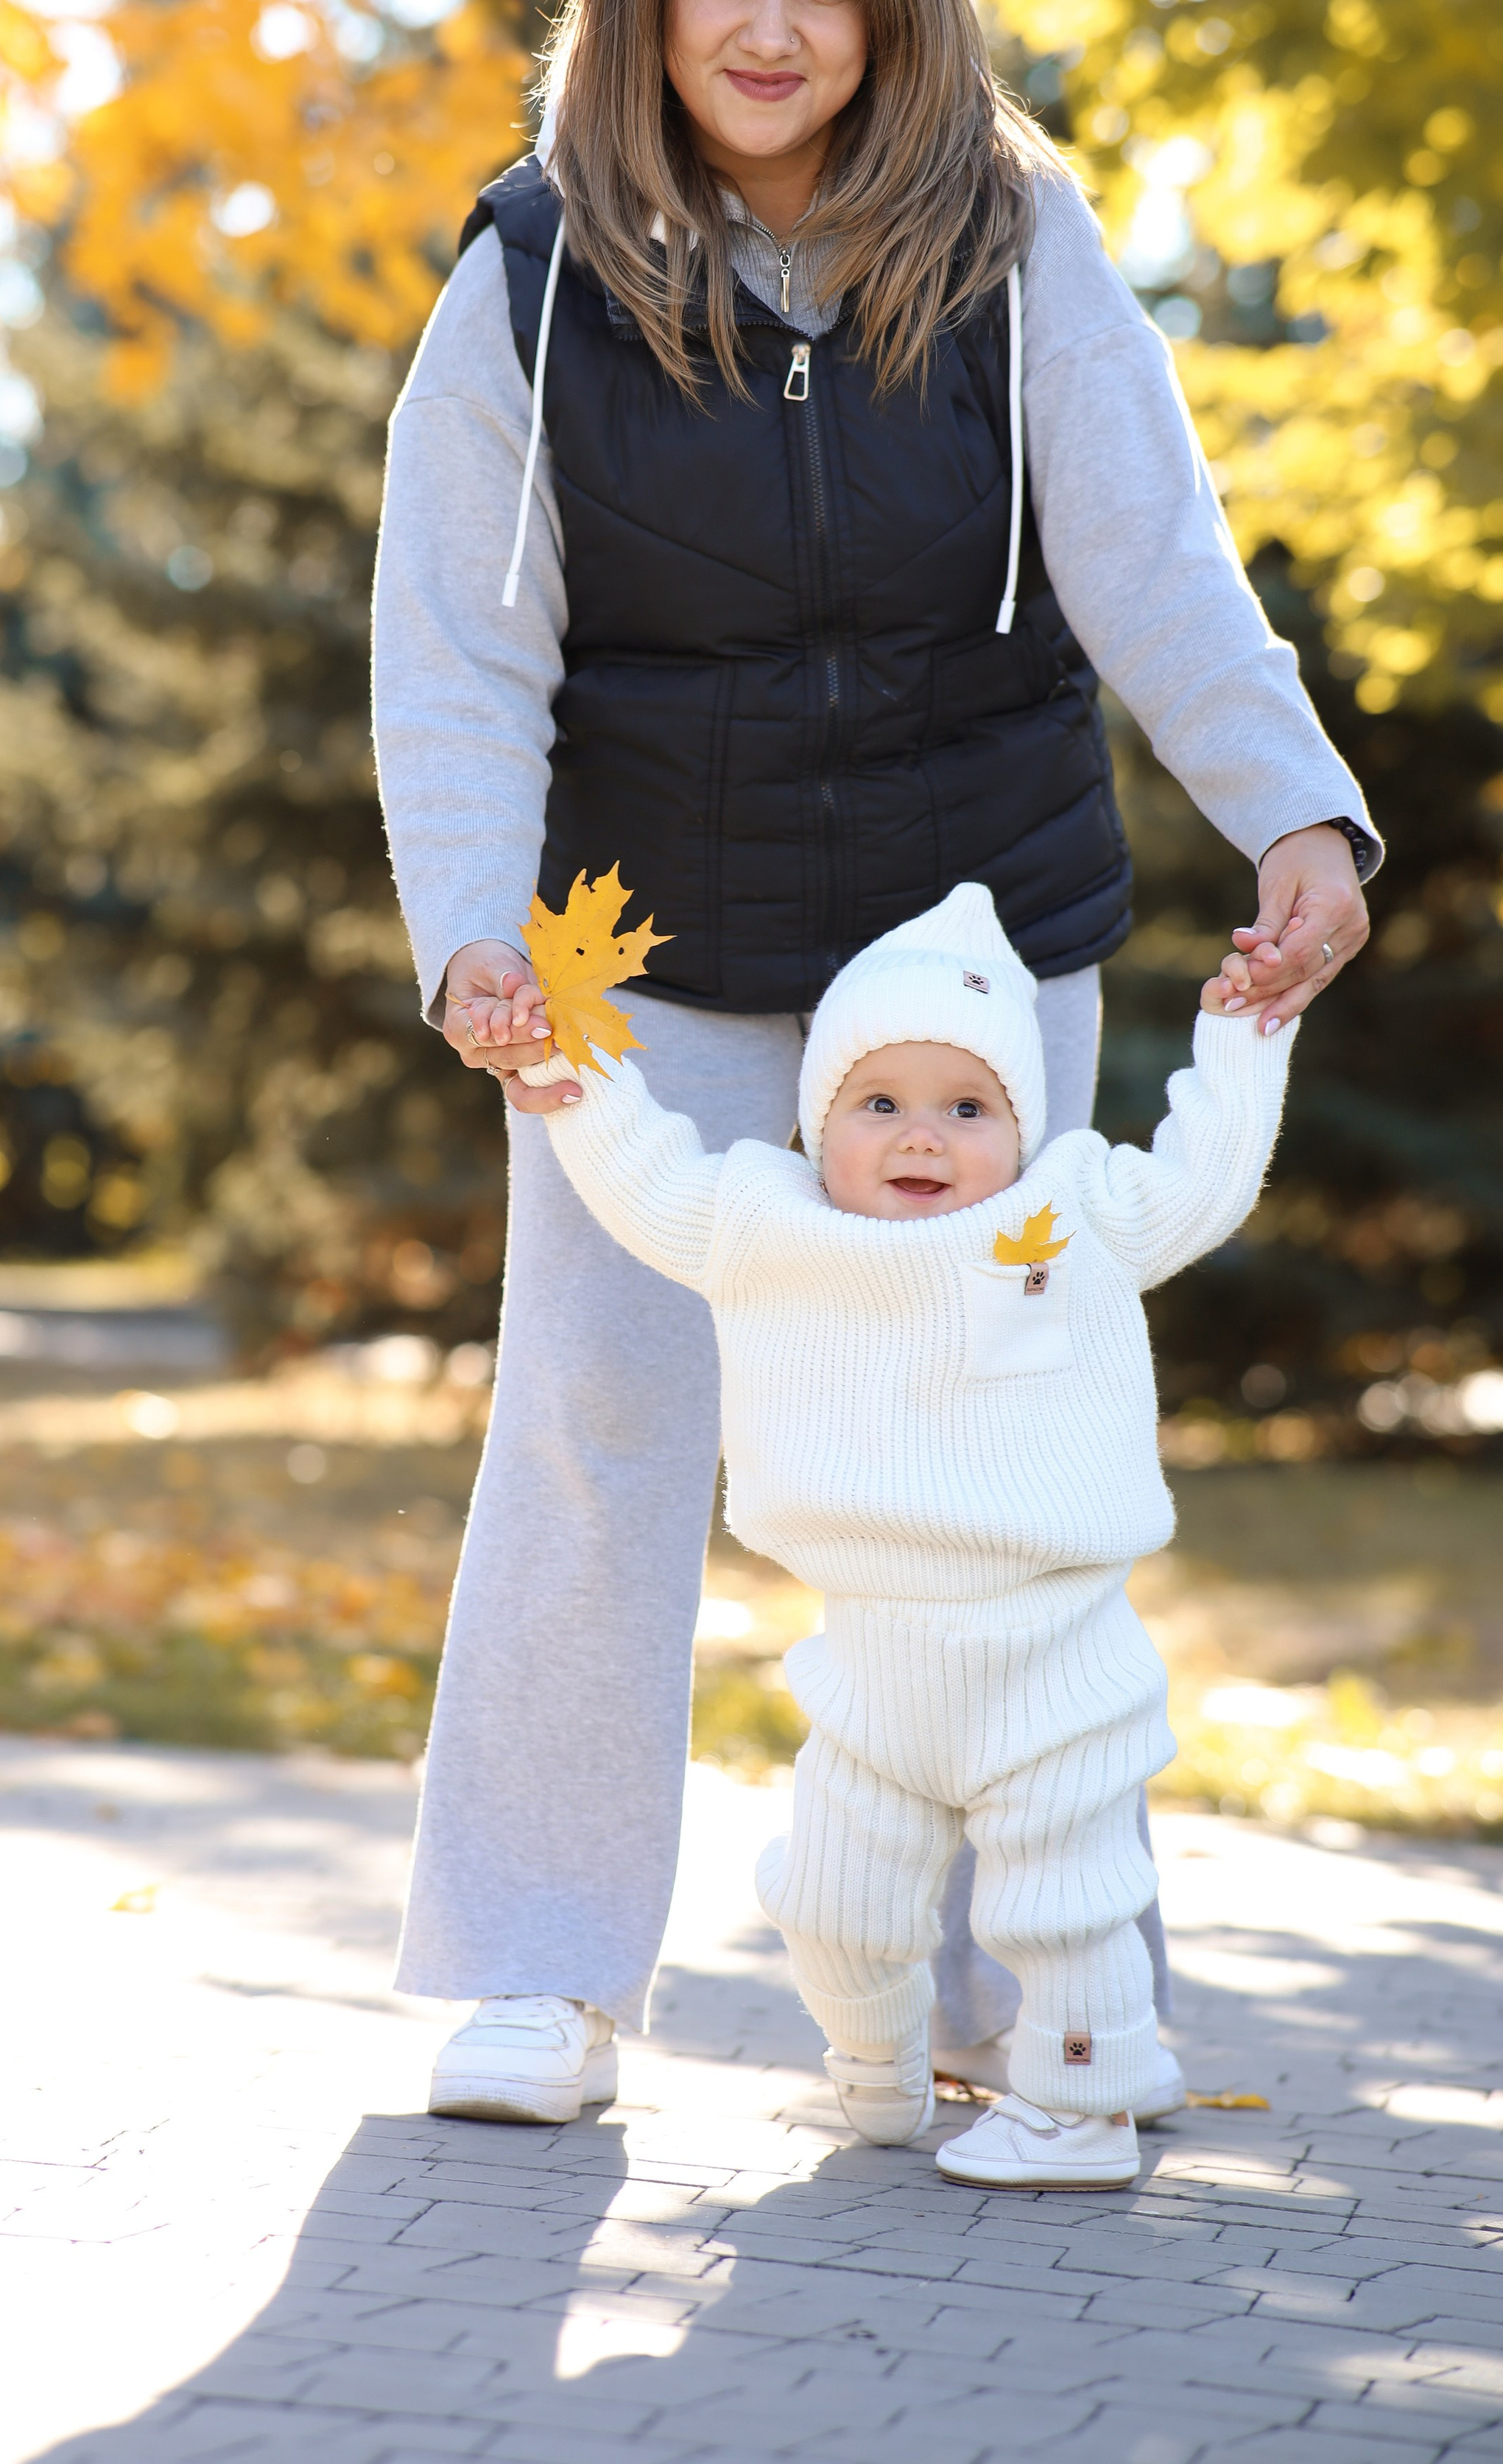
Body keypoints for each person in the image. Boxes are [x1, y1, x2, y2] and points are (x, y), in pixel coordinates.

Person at [371, 0, 1378, 2127]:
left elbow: (1153, 557)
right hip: (657, 951)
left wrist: (1301, 808)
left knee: (980, 1470)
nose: (770, 25)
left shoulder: (1017, 242)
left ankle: (1021, 1992)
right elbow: (457, 649)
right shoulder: (530, 270)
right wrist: (471, 943)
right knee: (606, 1436)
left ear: (893, 3)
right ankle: (540, 1971)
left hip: (962, 948)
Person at [518, 882, 1295, 2189]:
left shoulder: (1074, 1219)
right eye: (879, 1103)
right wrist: (568, 1064)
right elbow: (645, 1173)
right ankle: (878, 2062)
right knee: (831, 1903)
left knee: (1063, 1903)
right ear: (821, 1123)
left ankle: (1085, 2102)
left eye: (968, 1107)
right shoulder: (769, 1226)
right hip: (869, 1667)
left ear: (1020, 1126)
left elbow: (1210, 1171)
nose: (921, 1135)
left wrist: (1245, 1033)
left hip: (1048, 1653)